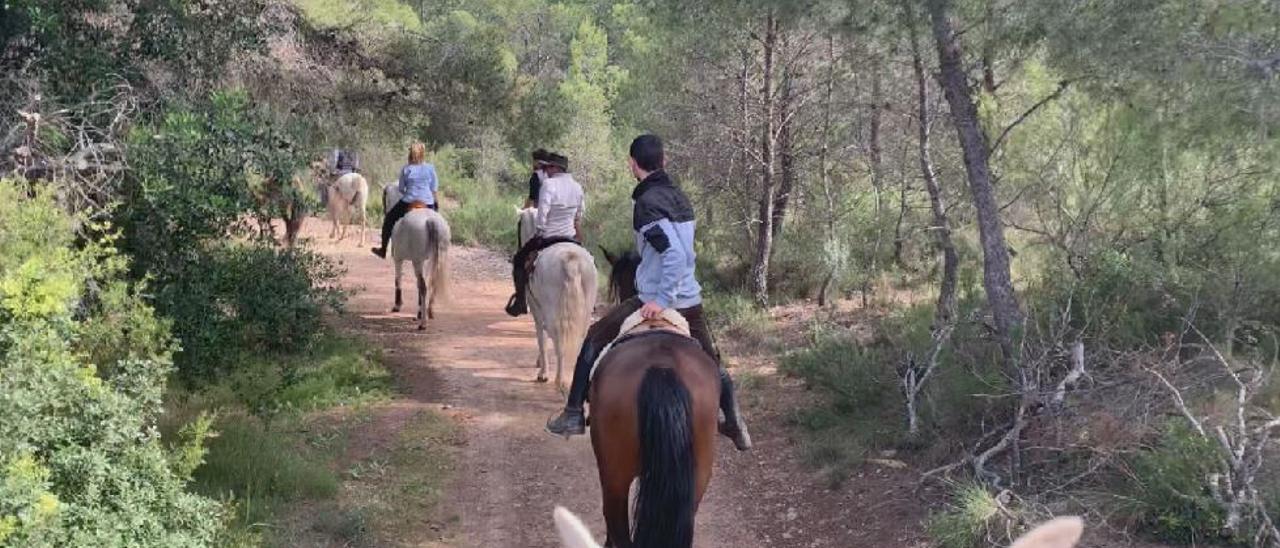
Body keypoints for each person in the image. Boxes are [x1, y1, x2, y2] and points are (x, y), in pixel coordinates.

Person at [544, 134, 752, 451]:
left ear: (632, 164)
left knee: (594, 338)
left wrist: (661, 300)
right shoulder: (679, 196)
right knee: (712, 363)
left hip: (656, 297)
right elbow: (681, 252)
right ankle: (734, 421)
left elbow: (673, 254)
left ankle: (573, 412)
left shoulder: (647, 203)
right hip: (691, 300)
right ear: (664, 161)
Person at [505, 151, 584, 317]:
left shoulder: (549, 185)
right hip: (570, 238)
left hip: (549, 237)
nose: (545, 171)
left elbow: (543, 214)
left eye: (548, 167)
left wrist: (539, 232)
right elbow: (579, 215)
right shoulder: (577, 187)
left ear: (555, 168)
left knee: (519, 260)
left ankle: (520, 301)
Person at [371, 142, 438, 259]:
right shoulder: (430, 168)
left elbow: (401, 189)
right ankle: (437, 251)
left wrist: (411, 191)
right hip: (427, 202)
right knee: (436, 223)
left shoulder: (406, 169)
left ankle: (383, 249)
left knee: (389, 220)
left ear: (410, 154)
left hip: (409, 201)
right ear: (423, 154)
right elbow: (434, 188)